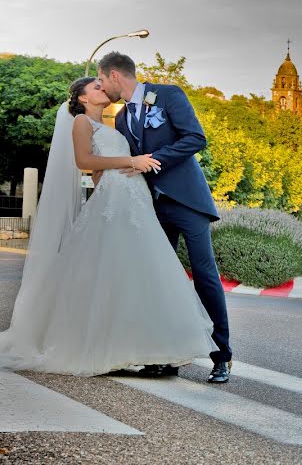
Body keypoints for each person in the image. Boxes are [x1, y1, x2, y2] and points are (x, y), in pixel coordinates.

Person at [0, 78, 215, 376]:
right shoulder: (81, 123)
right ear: (82, 97)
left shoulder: (116, 123)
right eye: (96, 87)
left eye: (103, 85)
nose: (103, 89)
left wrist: (125, 170)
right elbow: (84, 160)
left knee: (138, 273)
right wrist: (132, 160)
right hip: (115, 202)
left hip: (133, 198)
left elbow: (101, 169)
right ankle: (104, 346)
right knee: (110, 269)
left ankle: (150, 349)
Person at [97, 52, 232, 383]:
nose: (101, 87)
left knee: (204, 274)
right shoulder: (121, 117)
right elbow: (129, 161)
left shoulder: (168, 94)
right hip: (151, 207)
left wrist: (154, 159)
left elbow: (195, 138)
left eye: (102, 80)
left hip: (187, 201)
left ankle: (222, 356)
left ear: (115, 75)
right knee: (158, 280)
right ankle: (165, 356)